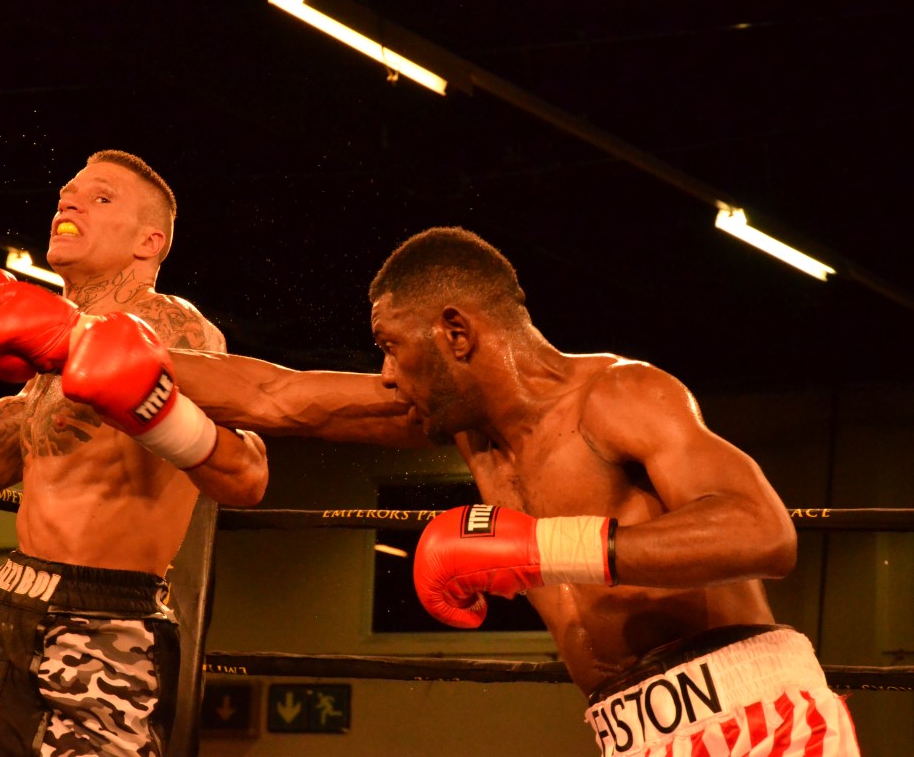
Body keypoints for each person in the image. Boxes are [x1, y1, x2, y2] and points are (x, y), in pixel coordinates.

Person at [161, 226, 860, 756]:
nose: (387, 373)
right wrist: (119, 354)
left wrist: (540, 547)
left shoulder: (619, 396)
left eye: (392, 345)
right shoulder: (468, 428)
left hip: (755, 718)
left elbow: (763, 533)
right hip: (632, 734)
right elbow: (278, 395)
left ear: (455, 332)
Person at [0, 149, 269, 757]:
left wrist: (158, 406)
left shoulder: (174, 332)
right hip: (5, 607)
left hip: (102, 627)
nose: (71, 203)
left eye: (101, 198)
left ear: (149, 243)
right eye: (68, 194)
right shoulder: (46, 362)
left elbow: (247, 475)